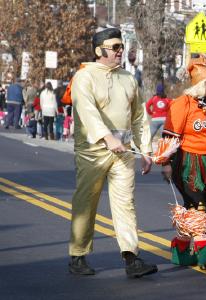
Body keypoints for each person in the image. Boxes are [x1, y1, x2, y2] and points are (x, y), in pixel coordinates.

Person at [69, 27, 157, 278]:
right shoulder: (84, 77)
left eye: (122, 47)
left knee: (125, 204)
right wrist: (107, 137)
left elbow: (139, 116)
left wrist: (146, 149)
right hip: (92, 151)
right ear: (99, 51)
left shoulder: (128, 79)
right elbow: (86, 111)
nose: (121, 52)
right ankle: (77, 256)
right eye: (115, 47)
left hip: (124, 152)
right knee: (86, 203)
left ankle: (131, 258)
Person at [162, 55, 206, 270]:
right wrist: (166, 163)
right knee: (198, 204)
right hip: (188, 163)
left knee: (193, 206)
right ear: (200, 83)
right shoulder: (182, 104)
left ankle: (180, 250)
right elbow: (170, 136)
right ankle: (204, 251)